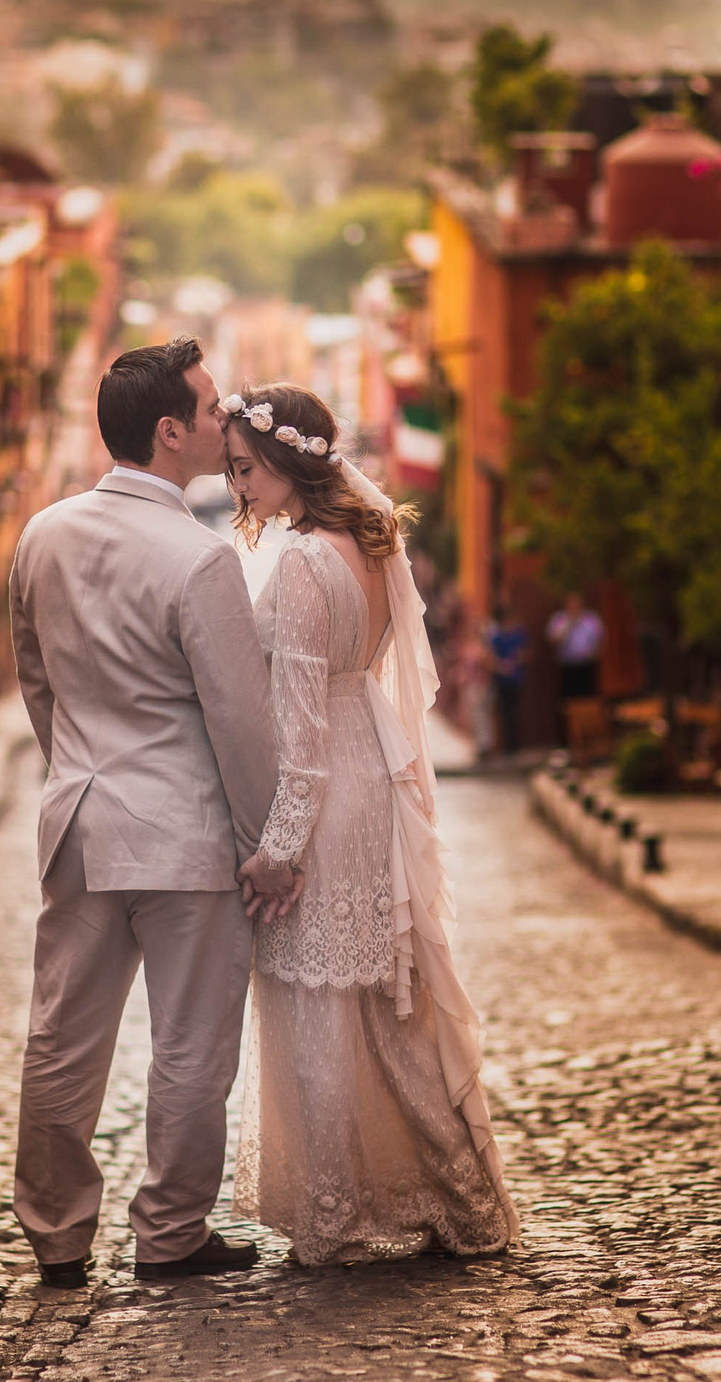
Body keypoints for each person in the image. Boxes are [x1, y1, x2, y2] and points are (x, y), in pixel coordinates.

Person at [221, 381, 521, 1266]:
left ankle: (334, 1213)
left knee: (317, 1003)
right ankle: (465, 1203)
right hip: (370, 780)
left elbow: (303, 738)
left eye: (244, 467)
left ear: (284, 461)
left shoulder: (308, 562)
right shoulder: (365, 539)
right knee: (391, 1011)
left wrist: (278, 850)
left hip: (327, 797)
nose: (237, 483)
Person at [8, 336, 278, 1287]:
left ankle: (55, 1234)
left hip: (79, 821)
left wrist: (75, 769)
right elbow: (241, 724)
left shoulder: (41, 535)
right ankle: (169, 1234)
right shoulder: (199, 560)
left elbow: (36, 681)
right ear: (169, 434)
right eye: (209, 411)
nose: (222, 423)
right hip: (188, 839)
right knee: (193, 1045)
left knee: (62, 1037)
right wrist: (268, 845)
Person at [485, 603, 528, 760]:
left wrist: (517, 660)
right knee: (505, 713)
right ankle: (507, 746)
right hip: (502, 680)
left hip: (516, 679)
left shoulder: (519, 635)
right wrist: (502, 666)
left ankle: (515, 745)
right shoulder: (496, 637)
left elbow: (526, 653)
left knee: (514, 712)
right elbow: (490, 658)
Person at [548, 591, 605, 703]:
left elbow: (600, 639)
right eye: (571, 603)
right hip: (568, 665)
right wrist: (569, 624)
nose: (574, 606)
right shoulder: (559, 619)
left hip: (587, 664)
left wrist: (597, 652)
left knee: (588, 697)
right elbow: (553, 640)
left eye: (576, 603)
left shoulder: (591, 618)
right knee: (569, 700)